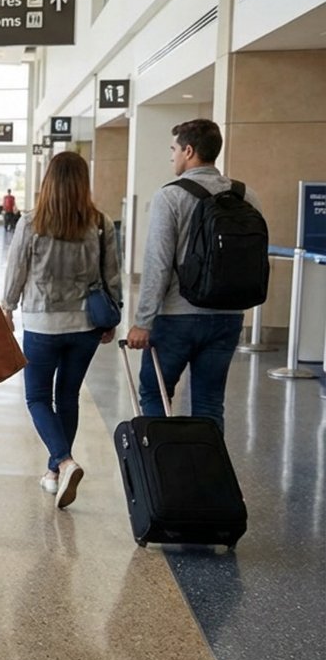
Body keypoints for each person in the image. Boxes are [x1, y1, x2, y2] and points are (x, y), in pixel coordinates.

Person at [2, 151, 122, 509]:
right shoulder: (100, 223)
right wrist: (111, 318)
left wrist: (7, 307)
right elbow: (112, 273)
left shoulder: (32, 221)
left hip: (42, 324)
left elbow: (16, 270)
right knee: (67, 397)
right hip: (85, 324)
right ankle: (54, 473)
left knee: (37, 398)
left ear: (47, 181)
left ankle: (64, 461)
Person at [125, 119, 260, 430]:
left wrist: (143, 321)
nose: (172, 156)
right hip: (228, 315)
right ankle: (207, 475)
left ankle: (162, 472)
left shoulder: (170, 196)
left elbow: (158, 262)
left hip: (176, 316)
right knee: (210, 401)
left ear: (189, 150)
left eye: (174, 149)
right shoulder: (246, 195)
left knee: (155, 392)